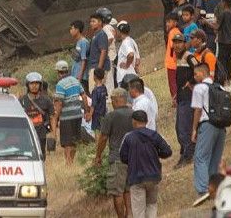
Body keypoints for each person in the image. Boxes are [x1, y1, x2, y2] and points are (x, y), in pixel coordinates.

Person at [119, 110, 172, 218]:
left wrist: (133, 159)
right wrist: (156, 154)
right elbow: (168, 151)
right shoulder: (154, 135)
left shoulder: (129, 137)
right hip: (153, 176)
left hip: (136, 178)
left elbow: (123, 157)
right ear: (147, 121)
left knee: (138, 210)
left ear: (133, 122)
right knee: (152, 205)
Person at [93, 89, 133, 218]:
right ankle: (130, 214)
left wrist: (98, 155)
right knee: (128, 190)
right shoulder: (134, 114)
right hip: (132, 158)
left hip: (117, 159)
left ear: (116, 100)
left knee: (117, 192)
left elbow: (103, 138)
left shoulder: (111, 116)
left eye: (112, 100)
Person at [191, 63, 225, 201]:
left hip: (207, 124)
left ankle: (204, 189)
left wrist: (194, 129)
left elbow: (198, 110)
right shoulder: (219, 86)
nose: (194, 77)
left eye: (195, 74)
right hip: (221, 126)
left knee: (200, 157)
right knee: (215, 159)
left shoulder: (199, 88)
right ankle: (215, 187)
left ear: (202, 73)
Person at [53, 64, 89, 165]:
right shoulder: (75, 80)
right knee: (74, 140)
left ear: (58, 72)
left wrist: (57, 116)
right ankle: (71, 161)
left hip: (66, 117)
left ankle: (68, 163)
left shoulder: (60, 84)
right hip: (77, 115)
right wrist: (86, 111)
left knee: (67, 142)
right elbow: (84, 96)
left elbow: (59, 102)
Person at [172, 33, 196, 168]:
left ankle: (188, 155)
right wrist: (176, 94)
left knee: (184, 127)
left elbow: (199, 70)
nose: (177, 45)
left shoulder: (189, 57)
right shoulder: (178, 58)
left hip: (189, 97)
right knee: (178, 127)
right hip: (181, 96)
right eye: (175, 42)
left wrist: (190, 82)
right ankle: (185, 152)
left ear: (185, 43)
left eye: (180, 42)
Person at [19, 72, 54, 159]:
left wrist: (53, 133)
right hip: (26, 134)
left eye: (37, 83)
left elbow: (52, 116)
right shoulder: (22, 100)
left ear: (40, 85)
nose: (34, 86)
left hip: (41, 133)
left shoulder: (46, 100)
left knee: (41, 155)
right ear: (27, 85)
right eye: (32, 83)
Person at [213, 0, 231, 85]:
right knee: (228, 59)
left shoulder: (223, 13)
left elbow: (217, 27)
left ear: (223, 2)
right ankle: (229, 77)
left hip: (223, 40)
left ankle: (222, 78)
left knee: (221, 60)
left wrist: (206, 22)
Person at [87, 13, 110, 93]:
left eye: (94, 21)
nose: (91, 23)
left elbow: (103, 51)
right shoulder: (95, 35)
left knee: (96, 92)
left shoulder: (101, 34)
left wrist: (99, 70)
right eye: (90, 22)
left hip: (98, 68)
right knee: (94, 92)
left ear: (100, 22)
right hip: (94, 66)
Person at [164, 12, 183, 104]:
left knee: (173, 84)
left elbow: (175, 48)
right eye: (166, 22)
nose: (167, 24)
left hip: (172, 64)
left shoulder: (173, 32)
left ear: (175, 23)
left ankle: (176, 101)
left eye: (169, 22)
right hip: (174, 63)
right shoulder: (176, 31)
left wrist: (176, 60)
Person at [115, 21, 140, 86]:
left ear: (120, 31)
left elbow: (131, 55)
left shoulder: (125, 43)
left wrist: (126, 65)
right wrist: (135, 67)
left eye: (117, 30)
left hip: (125, 78)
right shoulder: (132, 41)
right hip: (132, 75)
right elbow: (137, 60)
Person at [69, 20, 90, 86]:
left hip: (81, 77)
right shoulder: (78, 42)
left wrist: (80, 77)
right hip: (75, 75)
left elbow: (84, 60)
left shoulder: (83, 42)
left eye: (72, 29)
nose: (70, 31)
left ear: (77, 30)